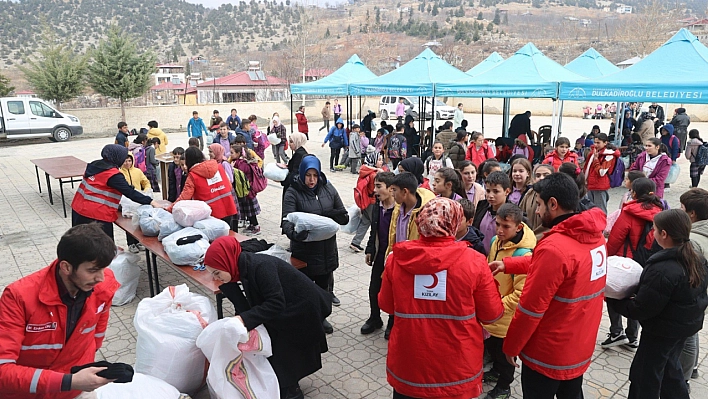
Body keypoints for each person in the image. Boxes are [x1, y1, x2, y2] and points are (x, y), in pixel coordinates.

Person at [490, 173, 608, 399]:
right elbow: (556, 267)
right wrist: (508, 264)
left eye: (539, 204)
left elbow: (530, 308)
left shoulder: (555, 247)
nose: (536, 211)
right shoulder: (594, 237)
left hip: (548, 351)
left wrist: (511, 346)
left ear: (553, 204)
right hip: (578, 343)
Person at [378, 198, 504, 399]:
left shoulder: (397, 259)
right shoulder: (474, 262)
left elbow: (386, 305)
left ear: (420, 222)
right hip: (456, 368)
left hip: (410, 363)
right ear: (454, 224)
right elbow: (492, 315)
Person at [0, 224, 119, 399]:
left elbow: (97, 332)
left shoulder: (103, 285)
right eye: (92, 270)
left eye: (103, 269)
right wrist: (70, 381)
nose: (101, 278)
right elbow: (3, 370)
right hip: (28, 391)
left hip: (76, 389)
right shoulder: (18, 297)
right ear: (66, 267)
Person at [204, 236, 331, 399]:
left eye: (217, 272)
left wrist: (243, 319)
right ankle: (287, 386)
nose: (215, 278)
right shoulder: (239, 269)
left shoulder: (260, 266)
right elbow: (246, 308)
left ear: (227, 261)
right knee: (275, 352)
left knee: (284, 355)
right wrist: (232, 294)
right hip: (286, 310)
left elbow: (276, 303)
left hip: (302, 310)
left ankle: (292, 391)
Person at [607, 209, 708, 399]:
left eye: (653, 229)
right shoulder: (696, 258)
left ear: (664, 234)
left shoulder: (663, 269)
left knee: (645, 376)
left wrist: (613, 299)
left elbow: (642, 309)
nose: (651, 234)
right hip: (683, 328)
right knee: (671, 369)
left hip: (661, 331)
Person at [281, 155, 348, 334]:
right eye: (308, 175)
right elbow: (286, 220)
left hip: (327, 249)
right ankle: (305, 319)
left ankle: (321, 318)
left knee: (323, 288)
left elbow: (341, 210)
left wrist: (339, 216)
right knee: (304, 289)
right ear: (302, 173)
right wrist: (294, 234)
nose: (311, 180)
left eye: (315, 175)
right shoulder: (293, 191)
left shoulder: (327, 188)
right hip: (305, 251)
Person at [604, 178, 664, 350]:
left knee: (613, 294)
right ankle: (632, 337)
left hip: (625, 262)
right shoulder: (661, 211)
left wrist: (606, 258)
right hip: (646, 263)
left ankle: (616, 332)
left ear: (634, 193)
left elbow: (615, 239)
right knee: (636, 297)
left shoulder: (629, 212)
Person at [483, 203, 536, 399]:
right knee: (494, 350)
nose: (499, 230)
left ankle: (504, 386)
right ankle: (496, 372)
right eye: (498, 224)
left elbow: (521, 294)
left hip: (505, 317)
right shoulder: (497, 240)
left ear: (519, 227)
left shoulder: (524, 254)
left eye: (506, 226)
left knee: (505, 355)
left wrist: (497, 306)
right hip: (492, 312)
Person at [383, 171, 435, 339]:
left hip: (414, 266)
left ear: (405, 192)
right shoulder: (398, 207)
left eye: (394, 190)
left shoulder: (424, 213)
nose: (392, 194)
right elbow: (393, 234)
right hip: (396, 260)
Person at [71, 144, 159, 240]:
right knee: (103, 247)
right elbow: (130, 192)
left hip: (77, 208)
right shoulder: (112, 174)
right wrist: (151, 201)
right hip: (96, 216)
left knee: (80, 242)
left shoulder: (94, 165)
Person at [167, 147, 237, 228]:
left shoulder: (193, 176)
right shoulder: (219, 167)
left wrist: (169, 209)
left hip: (210, 214)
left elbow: (184, 197)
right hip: (228, 207)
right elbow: (229, 185)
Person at [679, 188, 708, 384]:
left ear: (692, 214)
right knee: (692, 332)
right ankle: (693, 368)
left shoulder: (694, 242)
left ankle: (683, 379)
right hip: (701, 298)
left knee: (687, 337)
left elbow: (689, 279)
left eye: (681, 207)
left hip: (694, 297)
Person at [361, 171, 396, 335]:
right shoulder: (377, 206)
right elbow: (373, 230)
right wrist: (370, 249)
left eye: (378, 186)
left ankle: (392, 322)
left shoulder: (399, 209)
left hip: (394, 258)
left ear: (391, 189)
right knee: (374, 289)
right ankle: (375, 318)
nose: (374, 190)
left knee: (393, 291)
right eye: (375, 186)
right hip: (380, 255)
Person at [230, 137, 263, 235]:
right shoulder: (240, 162)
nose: (230, 155)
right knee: (248, 210)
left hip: (247, 191)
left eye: (232, 153)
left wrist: (232, 168)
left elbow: (239, 175)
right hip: (246, 191)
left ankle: (256, 227)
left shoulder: (241, 164)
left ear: (238, 153)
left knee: (251, 211)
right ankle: (252, 225)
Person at [473, 171, 512, 255]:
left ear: (507, 191)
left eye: (496, 191)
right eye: (488, 191)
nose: (490, 195)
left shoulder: (513, 213)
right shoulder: (482, 205)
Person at [350, 150, 380, 253]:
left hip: (366, 201)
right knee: (376, 224)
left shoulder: (365, 171)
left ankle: (355, 242)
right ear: (374, 161)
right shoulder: (374, 175)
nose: (381, 161)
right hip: (373, 202)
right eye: (379, 159)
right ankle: (376, 245)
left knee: (365, 221)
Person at [120, 152, 150, 252]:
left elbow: (145, 182)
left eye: (129, 161)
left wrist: (146, 190)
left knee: (138, 222)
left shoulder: (137, 171)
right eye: (125, 161)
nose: (127, 163)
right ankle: (131, 243)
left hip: (137, 200)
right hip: (126, 202)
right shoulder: (120, 173)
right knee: (129, 223)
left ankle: (138, 241)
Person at [585, 133, 619, 214]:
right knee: (590, 209)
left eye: (598, 143)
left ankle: (602, 226)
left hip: (600, 186)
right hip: (591, 184)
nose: (596, 145)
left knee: (600, 211)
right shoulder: (595, 152)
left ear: (605, 143)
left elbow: (601, 172)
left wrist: (596, 160)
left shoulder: (609, 155)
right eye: (595, 142)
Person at [518, 163, 553, 239]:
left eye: (545, 175)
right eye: (538, 176)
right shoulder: (529, 193)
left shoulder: (554, 197)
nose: (541, 178)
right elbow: (520, 213)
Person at [281, 133, 308, 198]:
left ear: (297, 141)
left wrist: (282, 180)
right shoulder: (301, 151)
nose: (289, 144)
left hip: (293, 190)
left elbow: (295, 173)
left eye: (291, 142)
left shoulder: (299, 154)